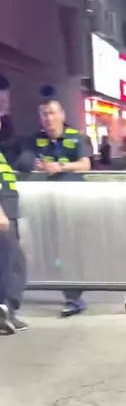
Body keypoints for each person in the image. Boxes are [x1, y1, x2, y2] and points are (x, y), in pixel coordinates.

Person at [22, 87, 91, 317]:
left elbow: (85, 164)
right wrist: (32, 164)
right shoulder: (35, 140)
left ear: (62, 114)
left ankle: (74, 297)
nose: (49, 119)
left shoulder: (75, 137)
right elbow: (23, 160)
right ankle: (65, 289)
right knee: (52, 250)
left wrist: (59, 167)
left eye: (52, 113)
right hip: (46, 204)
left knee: (70, 248)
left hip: (72, 204)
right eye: (44, 114)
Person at [0, 113, 27, 335]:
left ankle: (7, 313)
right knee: (15, 261)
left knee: (7, 263)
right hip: (2, 215)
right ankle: (6, 309)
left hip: (9, 212)